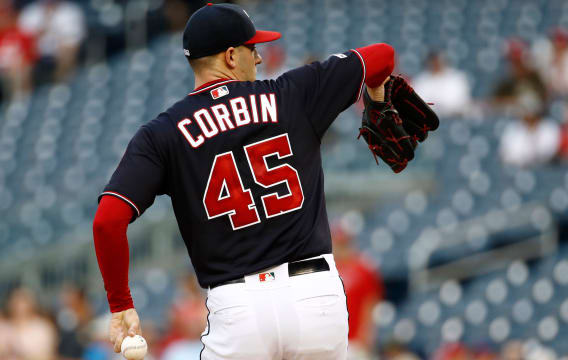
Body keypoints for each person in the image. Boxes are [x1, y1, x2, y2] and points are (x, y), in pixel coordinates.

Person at [93, 3, 399, 359]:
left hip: (239, 310)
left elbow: (107, 222)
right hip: (316, 297)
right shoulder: (292, 94)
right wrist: (377, 92)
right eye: (252, 48)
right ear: (229, 55)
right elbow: (383, 55)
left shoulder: (161, 134)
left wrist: (121, 304)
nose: (258, 58)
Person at [332, 224, 383, 358]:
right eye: (338, 243)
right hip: (332, 341)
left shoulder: (363, 269)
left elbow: (370, 304)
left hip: (355, 341)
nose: (341, 247)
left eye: (344, 243)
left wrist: (366, 335)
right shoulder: (328, 270)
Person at [18, 0, 85, 82]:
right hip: (36, 50)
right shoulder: (30, 11)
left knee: (68, 50)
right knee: (20, 58)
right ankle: (25, 93)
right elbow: (24, 37)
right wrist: (46, 21)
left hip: (59, 49)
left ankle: (61, 85)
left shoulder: (71, 11)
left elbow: (73, 38)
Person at [499, 94, 560, 167]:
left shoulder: (550, 127)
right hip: (518, 169)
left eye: (532, 107)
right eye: (526, 108)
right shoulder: (512, 129)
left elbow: (549, 154)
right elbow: (507, 156)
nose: (529, 112)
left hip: (544, 169)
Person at [492, 39, 547, 115]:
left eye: (519, 62)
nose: (516, 67)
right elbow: (495, 104)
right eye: (513, 62)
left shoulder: (537, 80)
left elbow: (542, 103)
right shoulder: (506, 83)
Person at [411, 51, 471, 118]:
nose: (436, 63)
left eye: (438, 61)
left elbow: (461, 104)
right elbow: (419, 105)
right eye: (433, 61)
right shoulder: (421, 81)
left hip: (454, 118)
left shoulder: (457, 78)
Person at [0, 0, 36, 101]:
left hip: (16, 67)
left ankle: (19, 102)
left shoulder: (22, 34)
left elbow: (31, 55)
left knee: (19, 70)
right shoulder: (1, 35)